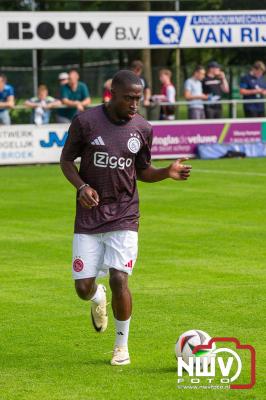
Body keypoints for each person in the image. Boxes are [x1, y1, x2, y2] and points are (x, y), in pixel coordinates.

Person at [60, 70, 191, 366]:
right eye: (129, 98)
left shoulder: (143, 128)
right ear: (112, 95)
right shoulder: (86, 122)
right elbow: (66, 160)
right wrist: (81, 186)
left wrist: (166, 173)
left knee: (121, 278)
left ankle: (121, 347)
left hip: (124, 214)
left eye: (139, 98)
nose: (135, 104)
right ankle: (97, 297)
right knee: (82, 289)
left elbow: (142, 170)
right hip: (90, 216)